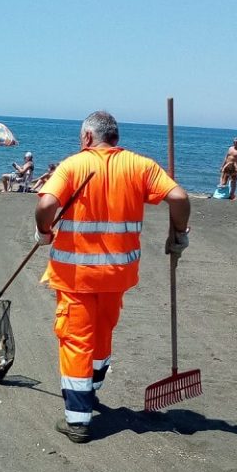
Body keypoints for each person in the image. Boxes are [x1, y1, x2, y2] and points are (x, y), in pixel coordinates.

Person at [34, 111, 190, 444]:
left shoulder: (73, 165)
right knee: (103, 330)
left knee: (76, 340)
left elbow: (46, 203)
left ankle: (77, 420)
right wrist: (180, 233)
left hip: (76, 275)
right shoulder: (139, 165)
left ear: (88, 138)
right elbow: (178, 197)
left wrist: (43, 231)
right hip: (118, 275)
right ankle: (93, 387)